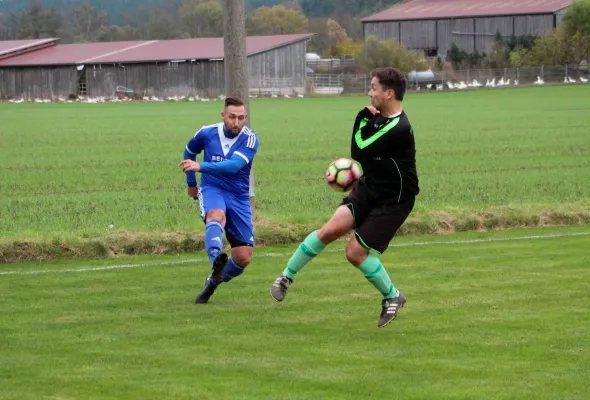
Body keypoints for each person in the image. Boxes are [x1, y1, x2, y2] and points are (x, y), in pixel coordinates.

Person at [270, 67, 419, 328]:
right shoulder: (381, 118)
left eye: (373, 87)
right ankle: (285, 277)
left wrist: (362, 117)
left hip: (394, 201)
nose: (369, 92)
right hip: (368, 189)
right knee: (329, 230)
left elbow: (359, 150)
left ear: (389, 93)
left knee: (354, 252)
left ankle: (392, 296)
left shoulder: (398, 127)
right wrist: (368, 118)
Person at [180, 97, 259, 304]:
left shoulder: (250, 139)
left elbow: (233, 166)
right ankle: (215, 258)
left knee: (243, 257)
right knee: (216, 216)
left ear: (245, 118)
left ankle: (212, 282)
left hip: (239, 196)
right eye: (232, 117)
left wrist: (201, 167)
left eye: (241, 118)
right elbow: (189, 152)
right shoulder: (206, 133)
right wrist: (191, 183)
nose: (236, 122)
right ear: (223, 115)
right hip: (212, 188)